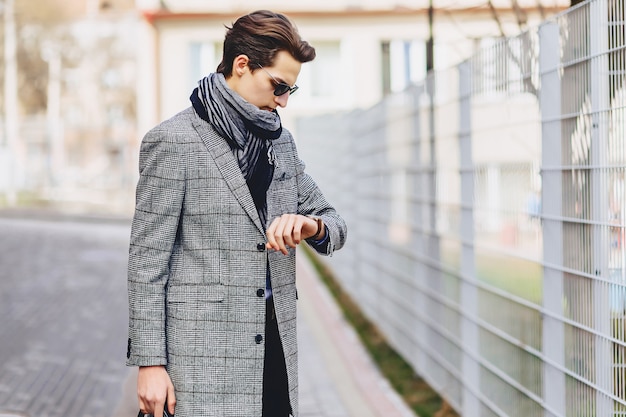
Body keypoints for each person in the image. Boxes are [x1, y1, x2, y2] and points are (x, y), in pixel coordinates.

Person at [126, 9, 348, 417]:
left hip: (275, 351)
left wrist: (309, 223)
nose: (282, 101)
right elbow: (146, 264)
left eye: (290, 92)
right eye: (278, 86)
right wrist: (150, 364)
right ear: (242, 65)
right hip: (200, 363)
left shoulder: (281, 143)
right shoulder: (173, 141)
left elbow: (335, 225)